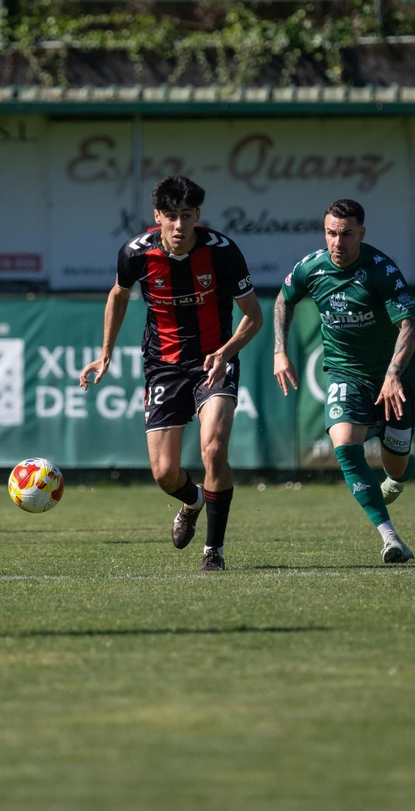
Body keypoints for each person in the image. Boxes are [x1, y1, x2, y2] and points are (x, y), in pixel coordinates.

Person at [79, 174, 263, 571]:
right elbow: (117, 296)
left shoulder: (222, 252)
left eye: (187, 216)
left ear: (198, 215)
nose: (179, 225)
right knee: (164, 473)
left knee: (214, 449)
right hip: (163, 365)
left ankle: (213, 551)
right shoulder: (135, 254)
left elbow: (254, 316)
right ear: (157, 216)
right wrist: (105, 354)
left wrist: (226, 352)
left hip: (214, 360)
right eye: (171, 216)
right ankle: (193, 502)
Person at [273, 199, 415, 563]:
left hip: (393, 378)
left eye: (347, 234)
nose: (338, 242)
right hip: (344, 372)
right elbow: (283, 299)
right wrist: (280, 351)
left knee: (396, 465)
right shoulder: (311, 267)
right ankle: (391, 539)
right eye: (331, 233)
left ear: (362, 233)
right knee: (345, 446)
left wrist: (392, 375)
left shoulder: (381, 269)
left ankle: (401, 472)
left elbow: (409, 327)